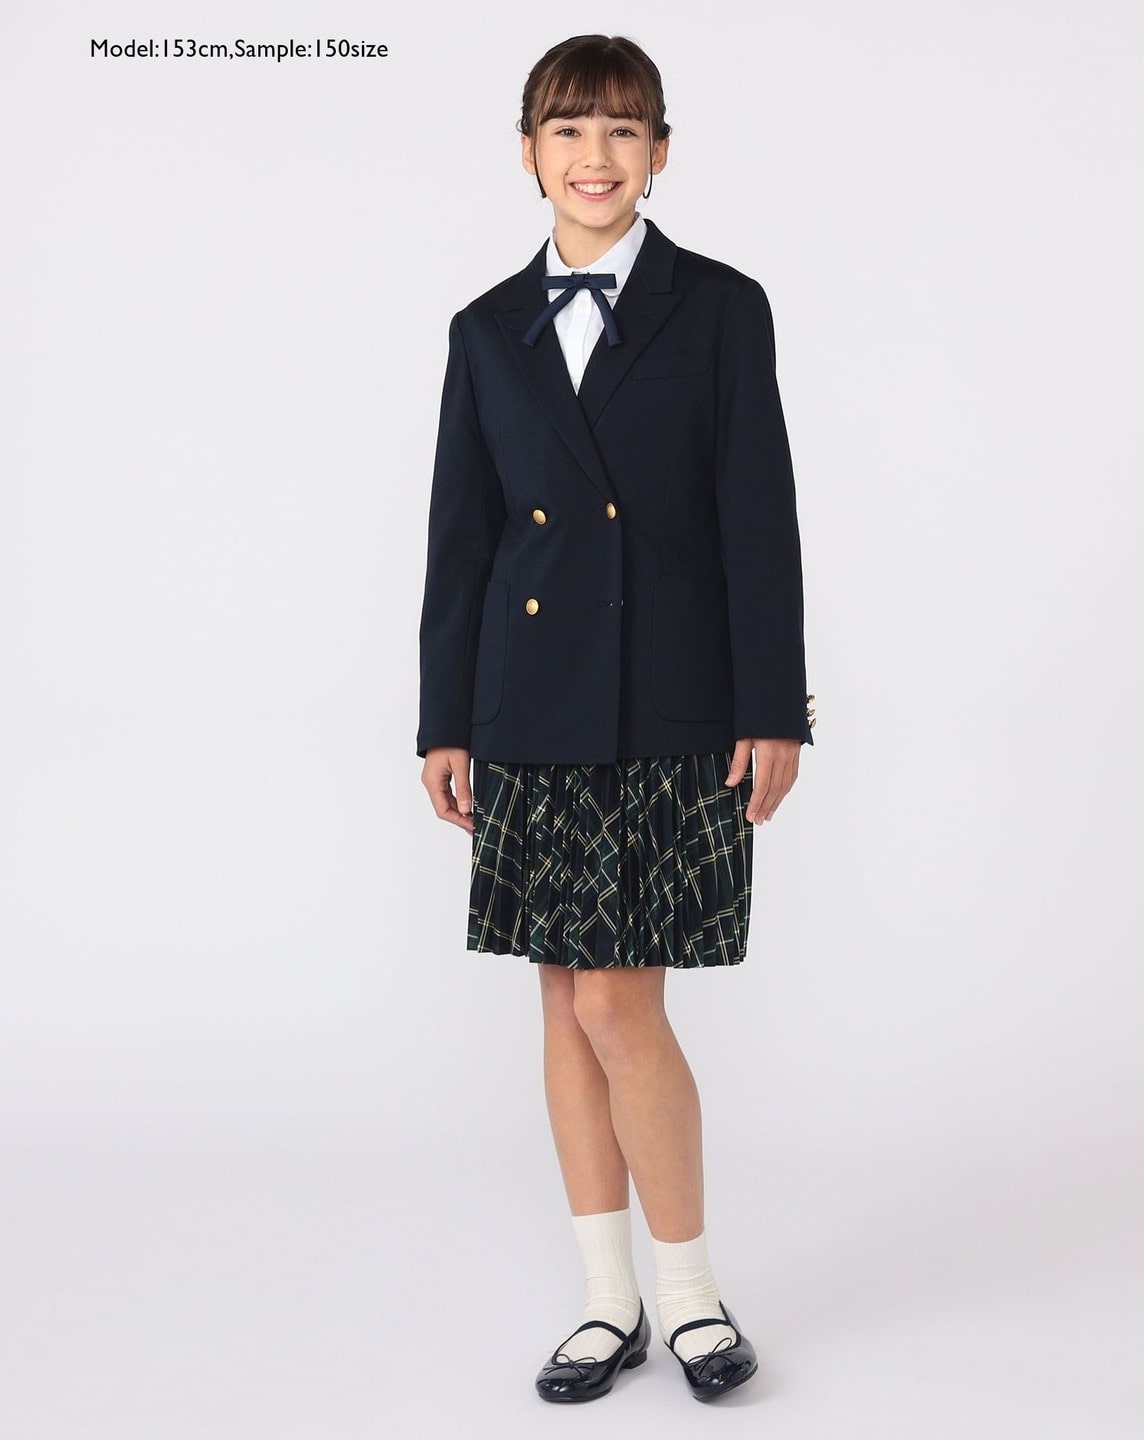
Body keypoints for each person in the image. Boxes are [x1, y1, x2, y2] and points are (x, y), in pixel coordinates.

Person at [416, 33, 815, 1403]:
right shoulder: (485, 330)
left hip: (672, 697)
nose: (596, 157)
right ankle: (609, 1302)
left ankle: (690, 1297)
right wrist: (444, 721)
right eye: (569, 129)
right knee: (563, 999)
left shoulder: (721, 308)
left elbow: (758, 513)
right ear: (529, 153)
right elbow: (461, 542)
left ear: (660, 154)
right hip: (528, 701)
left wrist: (773, 705)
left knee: (615, 1000)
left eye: (623, 130)